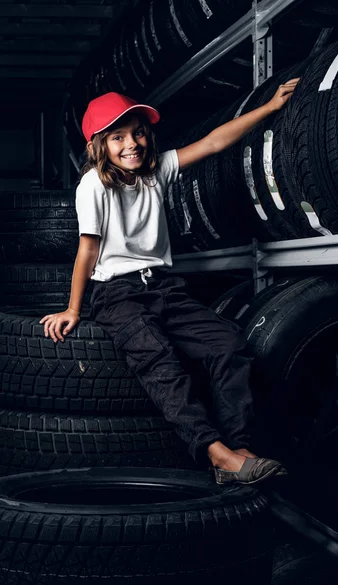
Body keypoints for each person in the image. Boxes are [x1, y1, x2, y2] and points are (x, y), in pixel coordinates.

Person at [40, 80, 298, 485]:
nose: (133, 143)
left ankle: (239, 446)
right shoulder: (93, 185)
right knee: (162, 364)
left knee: (228, 345)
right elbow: (87, 251)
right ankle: (215, 454)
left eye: (139, 131)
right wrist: (74, 308)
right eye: (119, 137)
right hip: (117, 294)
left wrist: (268, 107)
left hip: (163, 287)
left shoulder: (156, 171)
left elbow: (214, 142)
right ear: (99, 146)